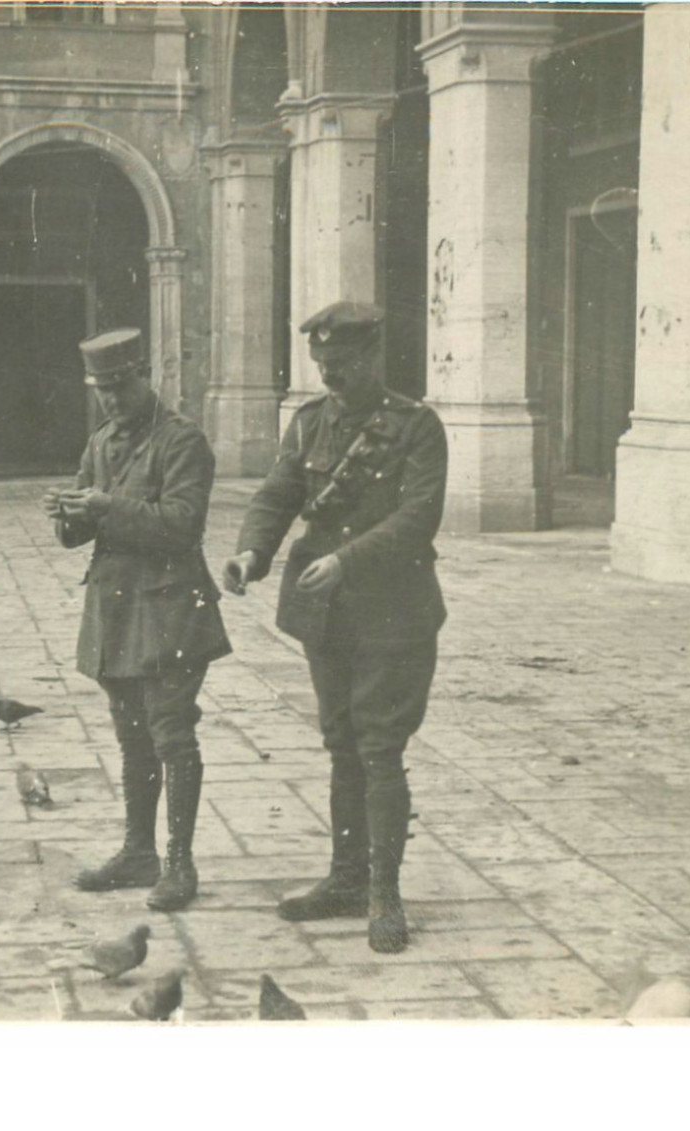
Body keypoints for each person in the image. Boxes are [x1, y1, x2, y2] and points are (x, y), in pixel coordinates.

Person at [222, 302, 447, 954]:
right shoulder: (310, 422)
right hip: (328, 617)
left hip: (394, 614)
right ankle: (345, 878)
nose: (330, 376)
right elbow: (276, 494)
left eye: (342, 364)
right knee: (341, 742)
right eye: (322, 366)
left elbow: (417, 518)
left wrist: (345, 560)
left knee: (379, 747)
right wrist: (251, 552)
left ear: (372, 356)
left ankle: (384, 893)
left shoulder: (417, 427)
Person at [43, 327, 231, 912]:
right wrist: (68, 515)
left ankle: (179, 862)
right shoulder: (100, 442)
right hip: (118, 610)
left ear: (146, 376)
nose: (112, 399)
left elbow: (183, 523)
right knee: (131, 738)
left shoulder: (181, 441)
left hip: (173, 607)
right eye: (102, 389)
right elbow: (80, 529)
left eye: (121, 385)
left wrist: (105, 507)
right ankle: (138, 851)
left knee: (171, 733)